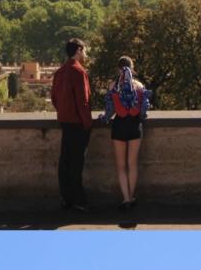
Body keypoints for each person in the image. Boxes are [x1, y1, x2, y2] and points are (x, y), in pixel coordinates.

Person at [99, 56, 150, 210]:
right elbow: (143, 111)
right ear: (132, 69)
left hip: (119, 126)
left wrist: (104, 118)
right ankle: (132, 196)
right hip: (135, 126)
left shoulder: (113, 86)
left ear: (118, 69)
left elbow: (109, 111)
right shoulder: (139, 86)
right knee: (132, 164)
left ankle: (126, 199)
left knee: (121, 166)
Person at [50, 38, 92, 212]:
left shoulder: (60, 72)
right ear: (79, 50)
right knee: (76, 162)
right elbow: (83, 102)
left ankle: (66, 197)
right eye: (85, 50)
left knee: (65, 161)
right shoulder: (78, 72)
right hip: (77, 123)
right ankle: (78, 199)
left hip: (65, 121)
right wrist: (87, 123)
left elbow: (54, 98)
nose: (86, 53)